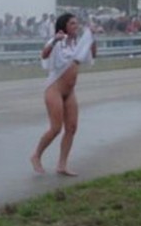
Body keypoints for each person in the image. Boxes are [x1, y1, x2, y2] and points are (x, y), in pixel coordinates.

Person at [30, 12, 97, 177]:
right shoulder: (57, 42)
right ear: (64, 26)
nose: (76, 26)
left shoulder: (78, 44)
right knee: (56, 128)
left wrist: (92, 38)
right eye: (72, 24)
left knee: (72, 128)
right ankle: (36, 155)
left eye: (77, 23)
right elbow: (44, 54)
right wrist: (54, 41)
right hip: (55, 90)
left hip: (70, 92)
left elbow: (92, 55)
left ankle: (62, 165)